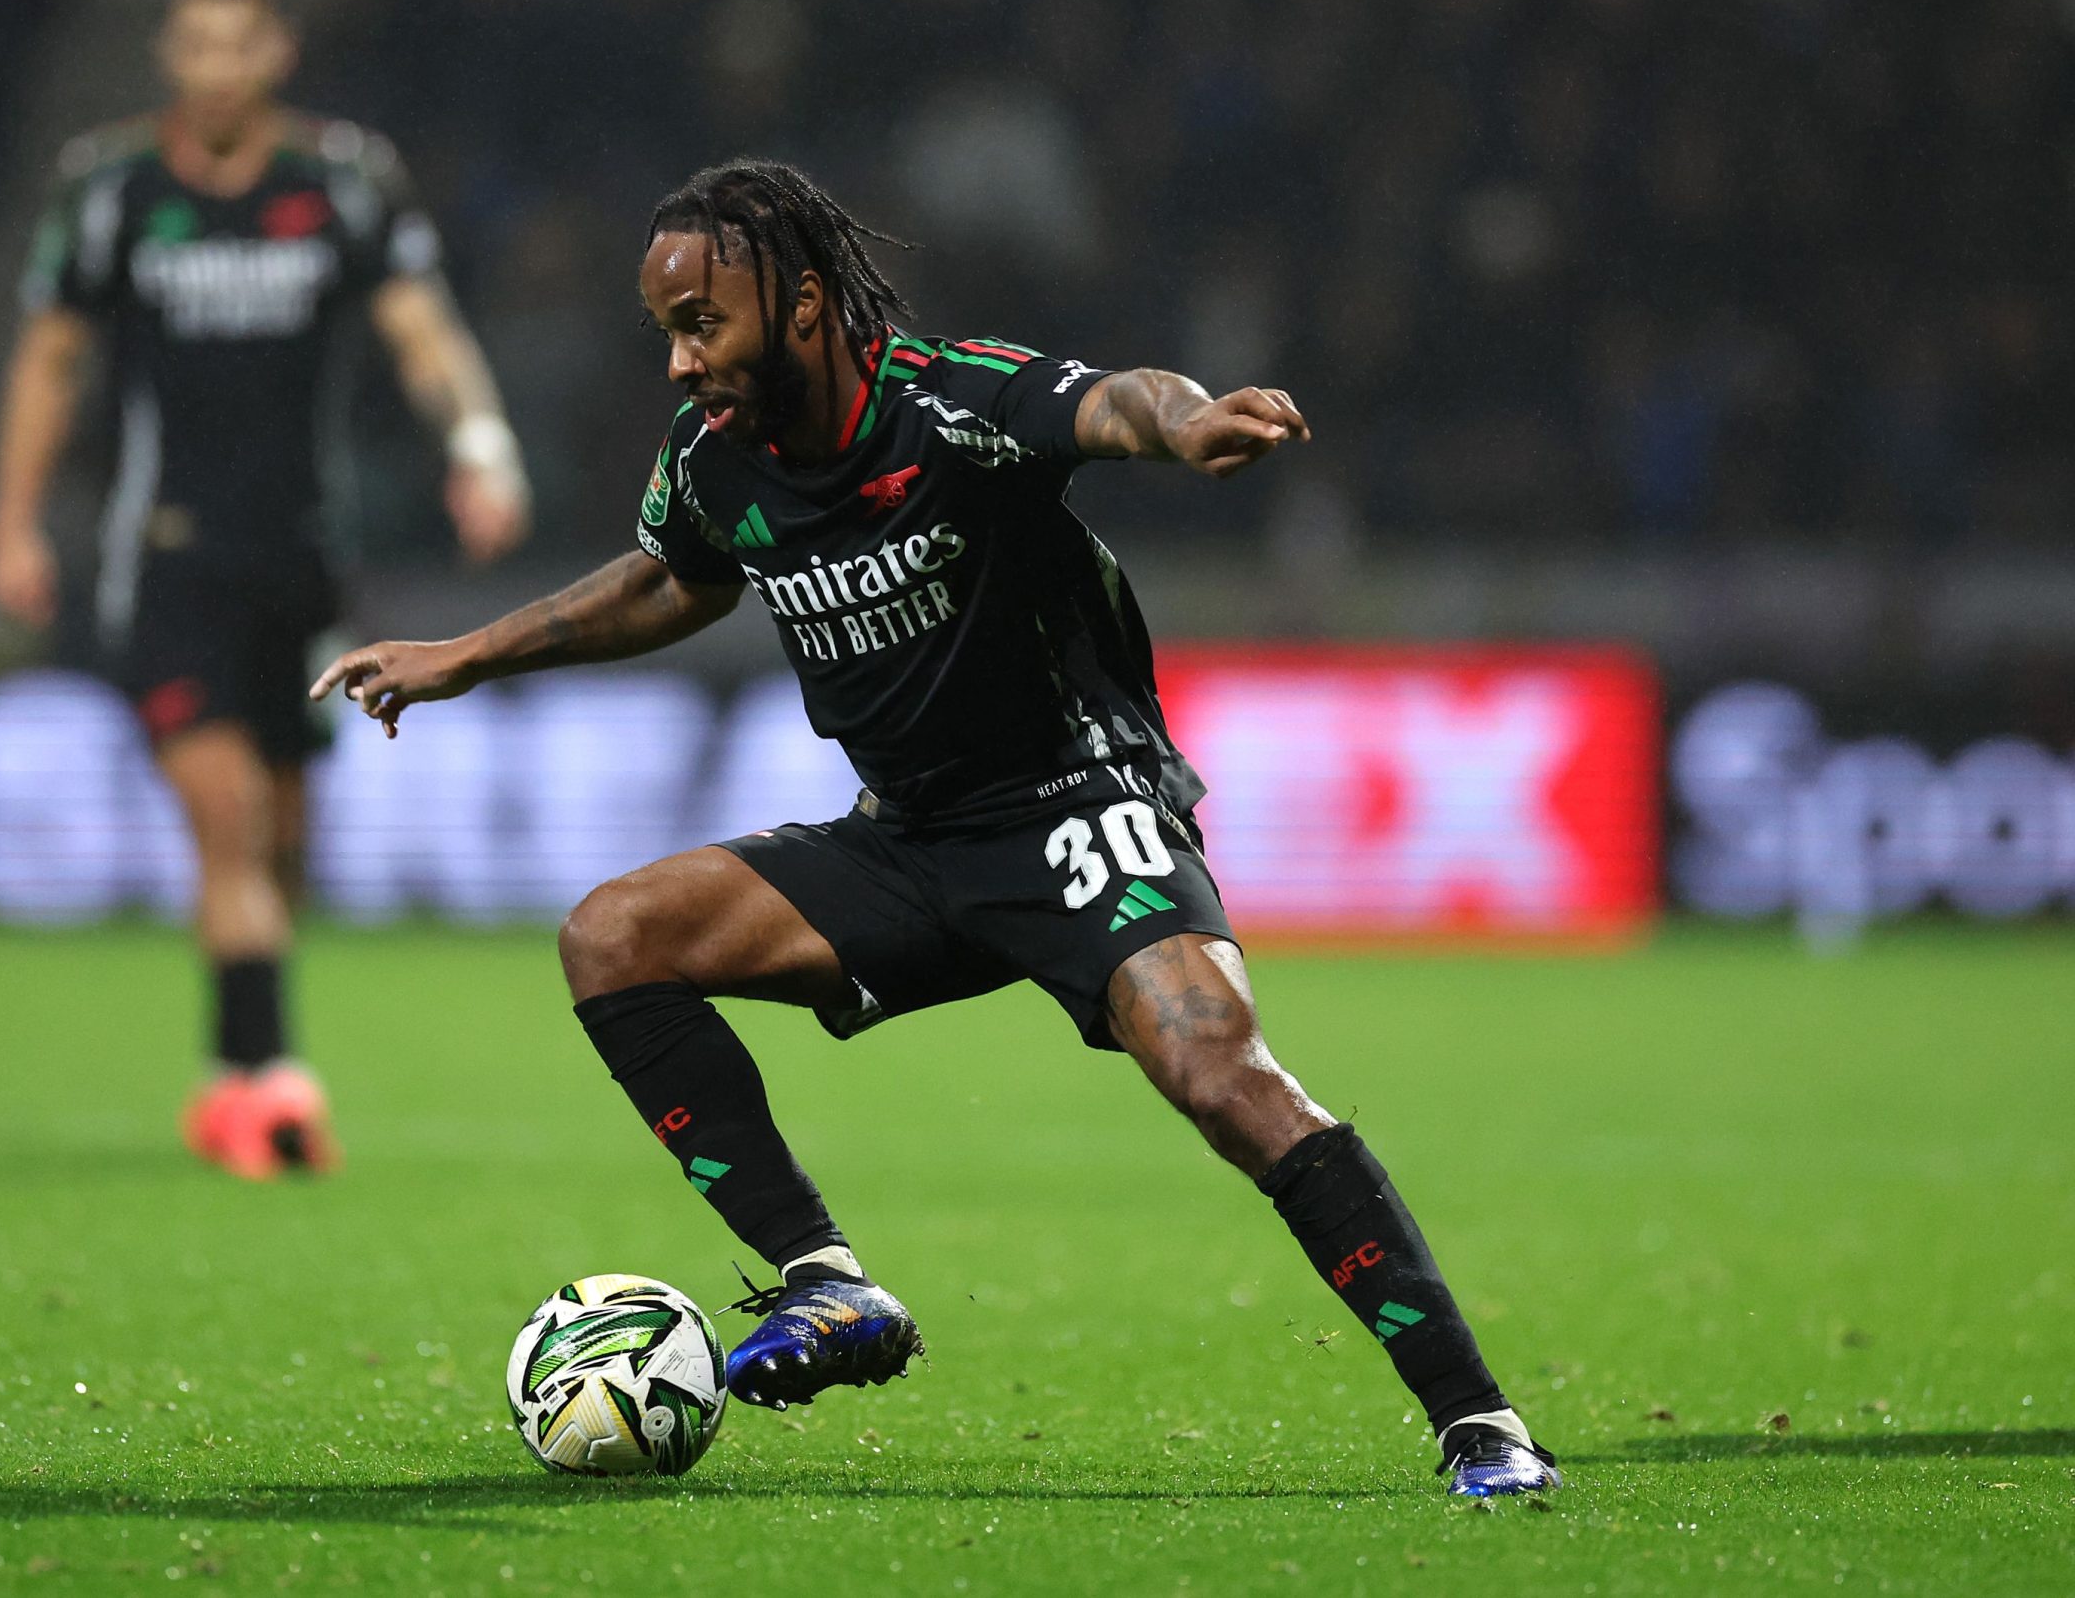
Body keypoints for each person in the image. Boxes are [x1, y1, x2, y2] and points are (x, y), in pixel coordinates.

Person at [310, 161, 1557, 1496]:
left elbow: (1109, 403)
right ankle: (828, 1282)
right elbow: (674, 579)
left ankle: (1478, 1420)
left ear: (796, 302)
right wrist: (468, 655)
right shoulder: (717, 461)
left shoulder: (952, 399)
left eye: (700, 324)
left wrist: (1187, 422)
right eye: (665, 328)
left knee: (1219, 1072)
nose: (679, 363)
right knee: (616, 934)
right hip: (907, 841)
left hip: (1078, 807)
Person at [0, 0, 530, 1179]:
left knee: (280, 847)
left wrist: (477, 444)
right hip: (165, 559)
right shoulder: (111, 189)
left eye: (238, 46)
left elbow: (418, 329)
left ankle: (229, 1079)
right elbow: (49, 361)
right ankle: (278, 1088)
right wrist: (11, 522)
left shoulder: (340, 182)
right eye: (194, 46)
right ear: (170, 56)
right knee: (224, 822)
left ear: (275, 54)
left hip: (301, 564)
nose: (215, 69)